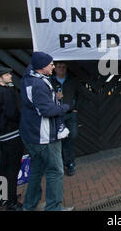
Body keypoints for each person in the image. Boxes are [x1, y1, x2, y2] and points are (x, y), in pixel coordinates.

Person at [19, 52, 73, 211]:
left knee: (37, 170)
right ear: (42, 67)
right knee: (56, 171)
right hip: (45, 136)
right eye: (50, 64)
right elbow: (47, 110)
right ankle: (54, 208)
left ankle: (29, 205)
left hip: (32, 134)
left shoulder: (29, 79)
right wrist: (65, 107)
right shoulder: (39, 84)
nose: (53, 66)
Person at [0, 66, 24, 211]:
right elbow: (12, 113)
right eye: (6, 74)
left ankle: (3, 196)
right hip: (12, 134)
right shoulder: (6, 93)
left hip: (1, 135)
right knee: (12, 168)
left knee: (4, 166)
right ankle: (12, 202)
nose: (10, 76)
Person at [51, 62, 79, 177]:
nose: (61, 69)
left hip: (70, 113)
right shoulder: (50, 81)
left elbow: (78, 95)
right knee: (57, 140)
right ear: (55, 69)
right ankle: (60, 164)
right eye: (59, 67)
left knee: (71, 137)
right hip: (56, 114)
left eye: (63, 67)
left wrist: (76, 107)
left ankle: (70, 163)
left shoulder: (72, 81)